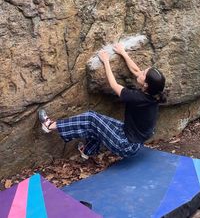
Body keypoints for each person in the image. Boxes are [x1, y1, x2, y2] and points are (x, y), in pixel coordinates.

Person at [38, 43, 166, 159]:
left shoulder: (138, 98)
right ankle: (87, 151)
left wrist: (106, 62)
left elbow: (114, 85)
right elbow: (136, 71)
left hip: (125, 144)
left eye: (144, 74)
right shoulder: (153, 95)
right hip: (132, 139)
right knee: (99, 124)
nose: (141, 72)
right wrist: (123, 52)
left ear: (146, 85)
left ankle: (50, 126)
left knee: (91, 118)